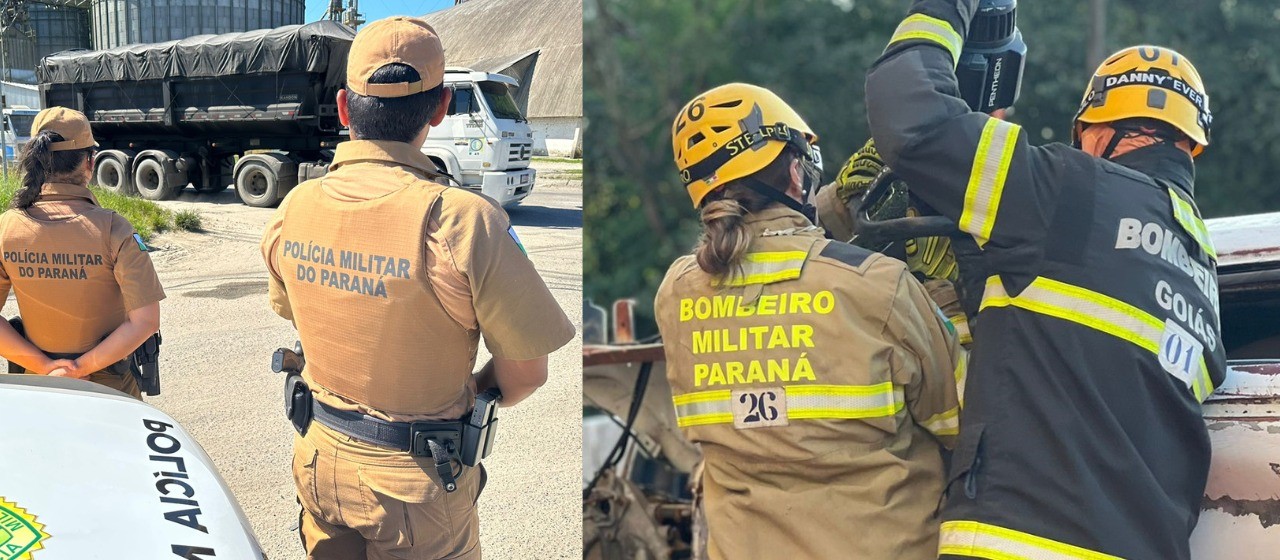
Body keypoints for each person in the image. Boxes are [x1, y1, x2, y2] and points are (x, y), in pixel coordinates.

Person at [866, 3, 1225, 558]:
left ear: (1099, 130)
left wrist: (942, 12)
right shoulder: (1203, 265)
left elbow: (912, 118)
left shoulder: (1071, 190)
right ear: (1188, 142)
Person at [260, 17, 574, 559]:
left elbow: (298, 314)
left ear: (342, 107)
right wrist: (457, 396)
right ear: (441, 106)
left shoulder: (295, 207)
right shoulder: (464, 220)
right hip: (415, 487)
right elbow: (525, 374)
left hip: (317, 458)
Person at [654, 82, 963, 559]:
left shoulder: (676, 292)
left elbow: (768, 258)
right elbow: (961, 422)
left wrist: (840, 209)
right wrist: (946, 302)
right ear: (797, 174)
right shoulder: (881, 286)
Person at [0, 107, 164, 398]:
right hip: (108, 388)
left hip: (37, 385)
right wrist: (77, 368)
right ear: (90, 162)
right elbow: (146, 321)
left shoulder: (7, 226)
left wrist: (47, 367)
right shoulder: (114, 228)